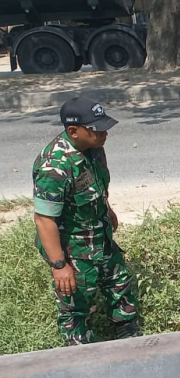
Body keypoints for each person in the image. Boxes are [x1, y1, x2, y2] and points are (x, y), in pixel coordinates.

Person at [32, 97, 142, 345]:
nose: (104, 134)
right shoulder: (55, 166)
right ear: (73, 131)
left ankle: (127, 331)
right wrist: (59, 265)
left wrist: (107, 208)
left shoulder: (93, 149)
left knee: (118, 281)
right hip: (73, 246)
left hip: (99, 235)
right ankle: (79, 346)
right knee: (77, 298)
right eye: (96, 129)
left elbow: (95, 185)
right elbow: (44, 219)